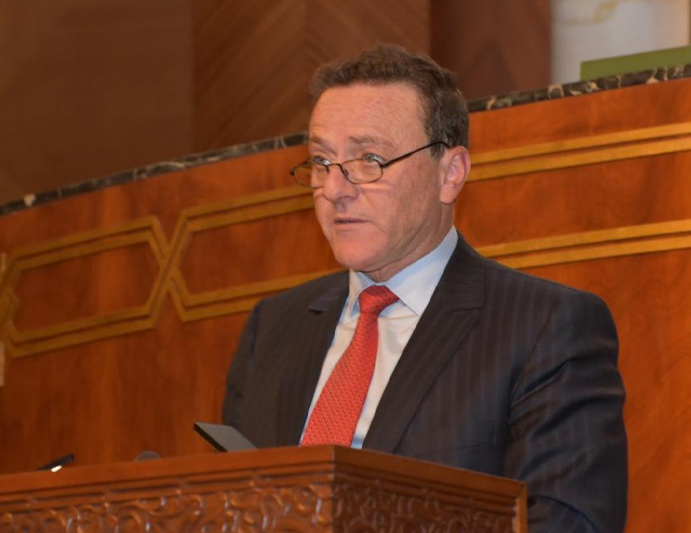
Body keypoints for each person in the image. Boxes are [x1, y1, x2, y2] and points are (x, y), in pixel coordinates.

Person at [223, 44, 627, 533]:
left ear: (450, 174)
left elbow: (569, 522)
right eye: (322, 161)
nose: (334, 189)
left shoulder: (544, 327)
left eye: (369, 159)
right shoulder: (273, 326)